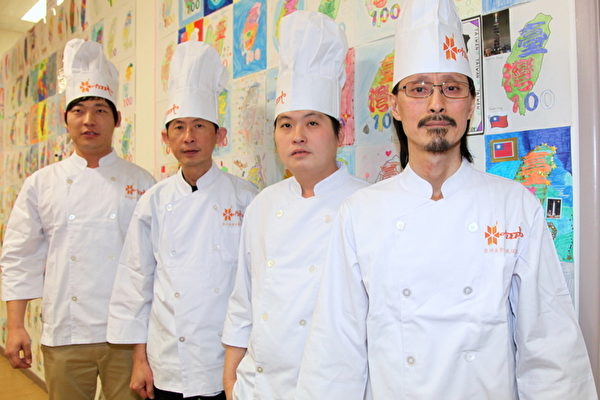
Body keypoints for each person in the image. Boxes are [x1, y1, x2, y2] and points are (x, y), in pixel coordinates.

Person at [295, 0, 598, 399]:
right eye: (419, 89)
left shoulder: (514, 205)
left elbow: (549, 346)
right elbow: (336, 351)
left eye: (452, 88)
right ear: (394, 106)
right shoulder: (360, 213)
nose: (436, 104)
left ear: (471, 104)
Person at [221, 11, 368, 400]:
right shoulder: (263, 204)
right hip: (258, 386)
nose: (297, 135)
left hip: (333, 389)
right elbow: (243, 301)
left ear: (340, 133)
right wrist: (230, 380)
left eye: (312, 123)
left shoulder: (366, 204)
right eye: (286, 124)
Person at [0, 38, 155, 400]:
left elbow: (154, 261)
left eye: (100, 110)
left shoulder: (142, 182)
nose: (89, 120)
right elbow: (20, 256)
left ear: (117, 119)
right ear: (65, 119)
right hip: (65, 332)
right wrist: (16, 325)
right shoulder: (42, 183)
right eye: (79, 110)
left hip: (127, 334)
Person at [107, 41, 257, 400]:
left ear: (219, 135)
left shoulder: (247, 198)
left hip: (229, 358)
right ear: (166, 138)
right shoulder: (153, 201)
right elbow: (136, 281)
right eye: (178, 127)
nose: (189, 137)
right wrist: (139, 360)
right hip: (168, 360)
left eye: (199, 126)